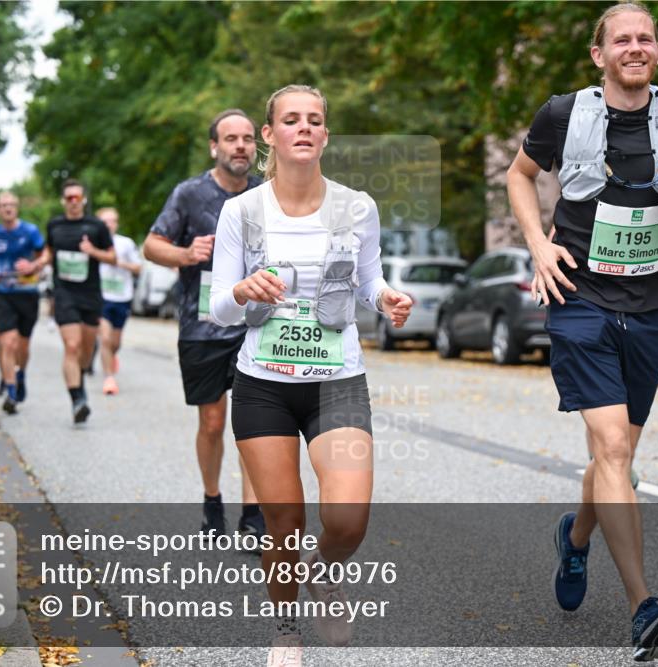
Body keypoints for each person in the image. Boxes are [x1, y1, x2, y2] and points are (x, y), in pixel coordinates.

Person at [505, 3, 658, 661]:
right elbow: (519, 175)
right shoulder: (563, 112)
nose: (633, 48)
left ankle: (575, 539)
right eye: (621, 40)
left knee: (618, 460)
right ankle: (644, 607)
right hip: (578, 296)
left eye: (644, 39)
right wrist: (536, 242)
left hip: (649, 304)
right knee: (611, 446)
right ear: (599, 54)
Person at [209, 85, 412, 665]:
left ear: (325, 135)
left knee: (347, 520)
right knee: (284, 523)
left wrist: (388, 298)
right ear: (270, 135)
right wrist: (243, 290)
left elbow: (369, 282)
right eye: (290, 120)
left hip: (337, 382)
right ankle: (285, 632)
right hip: (263, 385)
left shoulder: (357, 207)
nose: (304, 128)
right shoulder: (241, 212)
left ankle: (324, 572)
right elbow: (218, 306)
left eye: (314, 120)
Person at [144, 109, 266, 542]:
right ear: (214, 146)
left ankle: (254, 516)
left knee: (255, 421)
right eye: (231, 139)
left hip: (255, 326)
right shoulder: (190, 194)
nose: (240, 146)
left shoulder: (267, 194)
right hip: (204, 325)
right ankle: (212, 499)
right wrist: (185, 253)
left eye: (248, 139)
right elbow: (151, 245)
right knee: (213, 423)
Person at [44, 179, 116, 423]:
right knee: (71, 346)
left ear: (83, 199)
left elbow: (112, 257)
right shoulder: (54, 225)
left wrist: (92, 251)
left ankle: (81, 376)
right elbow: (49, 253)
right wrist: (33, 265)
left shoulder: (96, 226)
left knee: (86, 349)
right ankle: (77, 400)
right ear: (63, 201)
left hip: (90, 294)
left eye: (77, 198)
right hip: (64, 293)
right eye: (68, 198)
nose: (73, 202)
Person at [0, 191, 48, 415]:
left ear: (17, 208)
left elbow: (44, 255)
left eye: (11, 205)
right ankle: (11, 391)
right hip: (5, 294)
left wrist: (33, 266)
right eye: (3, 205)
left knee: (22, 346)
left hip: (28, 293)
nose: (7, 209)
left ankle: (20, 375)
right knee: (7, 342)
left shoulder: (30, 231)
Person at [96, 207, 142, 395]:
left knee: (115, 342)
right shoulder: (93, 243)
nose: (109, 225)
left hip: (122, 297)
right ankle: (109, 378)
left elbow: (138, 268)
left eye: (112, 221)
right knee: (105, 339)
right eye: (105, 221)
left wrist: (119, 263)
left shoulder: (126, 243)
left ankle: (111, 356)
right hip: (101, 297)